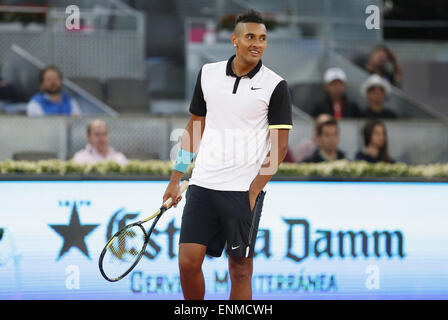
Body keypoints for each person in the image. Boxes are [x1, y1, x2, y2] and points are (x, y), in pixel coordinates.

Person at [162, 9, 292, 300]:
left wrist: (253, 191)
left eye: (262, 38)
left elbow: (280, 147)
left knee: (241, 269)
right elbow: (194, 129)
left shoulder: (276, 86)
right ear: (235, 40)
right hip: (203, 185)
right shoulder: (208, 74)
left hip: (243, 190)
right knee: (187, 262)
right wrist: (176, 178)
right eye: (250, 37)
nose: (257, 43)